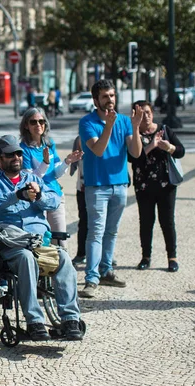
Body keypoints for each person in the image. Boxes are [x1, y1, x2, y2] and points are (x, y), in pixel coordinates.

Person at [0, 135, 83, 341]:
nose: (16, 157)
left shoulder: (31, 178)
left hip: (38, 241)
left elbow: (54, 200)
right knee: (26, 259)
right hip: (11, 243)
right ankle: (34, 321)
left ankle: (70, 319)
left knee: (63, 259)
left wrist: (40, 194)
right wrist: (16, 195)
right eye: (10, 155)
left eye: (18, 153)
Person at [77, 79, 143, 298]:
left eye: (112, 96)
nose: (110, 100)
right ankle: (91, 278)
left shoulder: (124, 121)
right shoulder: (87, 122)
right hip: (97, 186)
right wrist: (109, 126)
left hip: (120, 184)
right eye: (105, 96)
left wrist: (134, 127)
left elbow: (136, 153)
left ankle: (106, 270)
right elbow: (97, 149)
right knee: (95, 232)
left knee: (111, 231)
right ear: (96, 100)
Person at [128, 101, 185, 273]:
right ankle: (146, 257)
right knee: (146, 222)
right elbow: (133, 158)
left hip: (165, 184)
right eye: (141, 113)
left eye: (148, 112)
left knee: (167, 221)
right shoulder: (133, 135)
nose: (146, 115)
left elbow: (181, 151)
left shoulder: (165, 130)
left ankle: (172, 257)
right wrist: (152, 145)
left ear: (152, 112)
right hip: (143, 186)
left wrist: (170, 147)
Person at [19, 108, 83, 248]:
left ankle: (61, 268)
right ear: (26, 125)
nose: (38, 125)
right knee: (39, 243)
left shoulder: (49, 143)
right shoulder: (23, 149)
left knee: (60, 241)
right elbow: (30, 179)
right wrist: (45, 163)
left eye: (41, 121)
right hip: (36, 200)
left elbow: (56, 173)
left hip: (55, 196)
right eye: (33, 122)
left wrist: (67, 161)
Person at [69, 136, 87, 266]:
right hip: (83, 187)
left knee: (103, 223)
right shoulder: (81, 137)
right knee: (84, 221)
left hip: (100, 187)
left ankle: (104, 254)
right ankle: (81, 253)